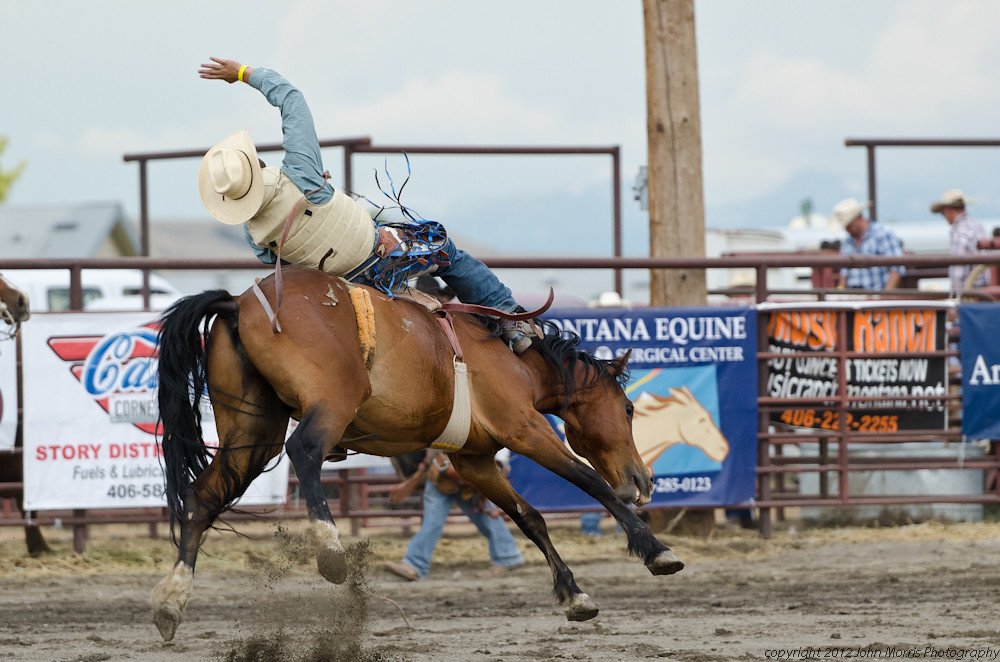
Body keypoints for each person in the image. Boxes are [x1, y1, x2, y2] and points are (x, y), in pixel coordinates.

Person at [196, 57, 534, 353]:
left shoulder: (254, 234)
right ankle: (511, 320)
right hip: (382, 260)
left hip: (341, 290)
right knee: (446, 249)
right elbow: (291, 99)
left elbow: (282, 262)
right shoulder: (301, 174)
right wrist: (241, 72)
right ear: (254, 161)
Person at [384, 448, 525, 581]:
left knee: (436, 520)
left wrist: (498, 464)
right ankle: (508, 555)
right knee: (483, 516)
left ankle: (414, 564)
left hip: (454, 469)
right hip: (456, 469)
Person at [828, 198, 905, 290]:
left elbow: (896, 268)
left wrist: (885, 296)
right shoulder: (847, 241)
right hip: (853, 295)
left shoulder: (883, 234)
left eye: (849, 225)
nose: (846, 229)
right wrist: (840, 290)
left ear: (858, 218)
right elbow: (844, 273)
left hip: (876, 293)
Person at [930, 189, 991, 292]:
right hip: (987, 289)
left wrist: (956, 297)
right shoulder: (977, 225)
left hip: (973, 292)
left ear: (947, 209)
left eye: (942, 213)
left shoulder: (960, 232)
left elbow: (958, 272)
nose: (944, 216)